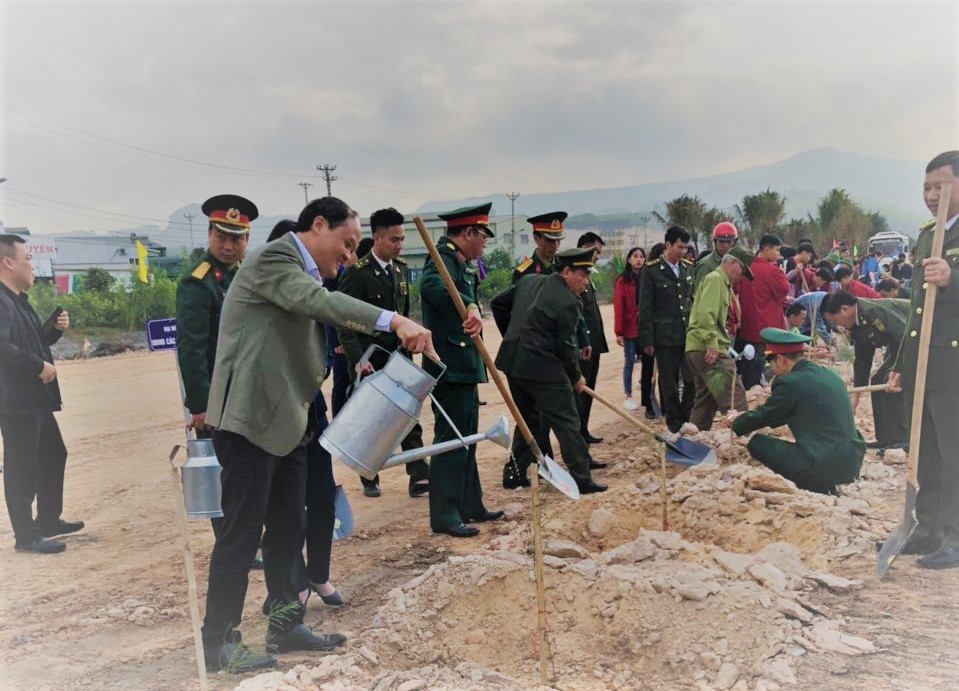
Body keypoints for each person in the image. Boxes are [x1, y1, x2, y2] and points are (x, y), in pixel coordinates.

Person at [200, 197, 435, 673]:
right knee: (243, 534)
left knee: (291, 527)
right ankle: (218, 643)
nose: (350, 256)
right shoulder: (275, 259)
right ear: (319, 225)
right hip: (249, 421)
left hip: (291, 419)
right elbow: (318, 305)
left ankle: (285, 625)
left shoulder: (307, 271)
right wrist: (392, 319)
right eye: (347, 244)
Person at [176, 195, 261, 564]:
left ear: (247, 239)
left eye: (236, 238)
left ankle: (244, 541)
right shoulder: (198, 282)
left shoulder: (244, 275)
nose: (228, 246)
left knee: (245, 473)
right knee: (225, 476)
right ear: (210, 234)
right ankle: (234, 547)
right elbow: (192, 348)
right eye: (221, 237)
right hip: (216, 398)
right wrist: (200, 404)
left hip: (245, 393)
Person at [886, 150, 959, 569]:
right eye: (927, 187)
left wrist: (953, 277)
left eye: (941, 186)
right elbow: (915, 309)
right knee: (927, 452)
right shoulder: (926, 236)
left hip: (955, 369)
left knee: (955, 453)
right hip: (926, 364)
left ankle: (955, 535)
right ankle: (928, 528)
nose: (932, 195)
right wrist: (902, 362)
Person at [420, 203, 503, 538]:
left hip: (465, 366)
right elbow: (431, 287)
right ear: (469, 232)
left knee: (468, 438)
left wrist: (471, 304)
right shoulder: (441, 257)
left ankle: (470, 503)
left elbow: (467, 297)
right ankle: (445, 514)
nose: (484, 243)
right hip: (450, 366)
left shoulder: (461, 262)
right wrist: (467, 304)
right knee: (452, 440)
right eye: (482, 236)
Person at [495, 248, 608, 494]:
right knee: (568, 419)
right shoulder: (567, 301)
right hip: (541, 366)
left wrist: (514, 334)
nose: (586, 282)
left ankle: (514, 473)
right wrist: (576, 377)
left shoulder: (530, 280)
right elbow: (566, 347)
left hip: (513, 361)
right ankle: (582, 477)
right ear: (567, 272)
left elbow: (498, 305)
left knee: (529, 420)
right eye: (583, 275)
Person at [336, 207, 430, 499]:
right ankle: (369, 474)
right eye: (394, 240)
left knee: (408, 416)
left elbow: (401, 313)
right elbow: (345, 320)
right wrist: (357, 360)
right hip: (371, 358)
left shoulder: (401, 268)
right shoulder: (357, 273)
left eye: (401, 239)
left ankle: (418, 473)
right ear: (376, 238)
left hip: (399, 356)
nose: (399, 245)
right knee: (373, 420)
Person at [0, 234, 81, 554]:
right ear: (8, 262)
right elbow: (3, 348)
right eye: (28, 258)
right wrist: (38, 366)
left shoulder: (17, 299)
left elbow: (31, 343)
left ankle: (48, 519)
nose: (32, 265)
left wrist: (53, 331)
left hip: (34, 399)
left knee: (52, 454)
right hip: (16, 400)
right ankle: (26, 536)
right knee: (21, 466)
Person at [731, 328, 865, 494]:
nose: (772, 368)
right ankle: (824, 483)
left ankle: (814, 485)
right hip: (851, 461)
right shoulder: (827, 374)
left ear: (780, 359)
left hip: (825, 463)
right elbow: (786, 413)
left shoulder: (790, 382)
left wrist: (735, 425)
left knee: (758, 443)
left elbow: (766, 415)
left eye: (771, 363)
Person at [821, 291, 910, 449]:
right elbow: (862, 361)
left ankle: (904, 438)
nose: (838, 325)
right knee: (878, 381)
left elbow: (905, 336)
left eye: (835, 320)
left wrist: (900, 369)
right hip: (899, 344)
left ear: (845, 309)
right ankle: (887, 438)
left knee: (891, 383)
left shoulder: (872, 312)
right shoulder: (857, 322)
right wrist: (856, 395)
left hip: (916, 340)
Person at [685, 247, 754, 430]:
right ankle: (743, 436)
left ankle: (693, 440)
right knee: (733, 391)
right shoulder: (716, 280)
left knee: (707, 400)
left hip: (698, 346)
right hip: (705, 347)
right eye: (742, 270)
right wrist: (712, 344)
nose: (742, 276)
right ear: (732, 263)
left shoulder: (722, 283)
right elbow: (705, 314)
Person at [638, 225, 696, 433]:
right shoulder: (652, 271)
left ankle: (686, 417)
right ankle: (674, 424)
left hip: (688, 335)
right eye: (679, 247)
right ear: (668, 244)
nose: (683, 251)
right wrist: (647, 340)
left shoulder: (689, 268)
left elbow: (692, 302)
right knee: (669, 384)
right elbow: (645, 308)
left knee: (691, 381)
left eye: (685, 248)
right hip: (664, 337)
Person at [737, 235, 790, 388]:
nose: (778, 255)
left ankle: (748, 388)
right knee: (764, 360)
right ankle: (756, 387)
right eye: (777, 251)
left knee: (748, 359)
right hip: (767, 325)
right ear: (766, 250)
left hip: (747, 324)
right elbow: (784, 290)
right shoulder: (772, 271)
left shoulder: (744, 268)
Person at [575, 232, 609, 444]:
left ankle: (584, 430)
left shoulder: (588, 275)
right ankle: (579, 435)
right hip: (581, 346)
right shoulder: (574, 276)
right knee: (580, 393)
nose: (597, 256)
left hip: (593, 344)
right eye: (595, 251)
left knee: (589, 392)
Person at [614, 247, 654, 416]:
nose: (639, 259)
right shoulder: (622, 281)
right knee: (630, 361)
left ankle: (648, 399)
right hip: (630, 328)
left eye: (641, 256)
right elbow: (619, 307)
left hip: (645, 328)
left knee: (648, 364)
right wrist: (619, 332)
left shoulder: (648, 277)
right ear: (629, 260)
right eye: (635, 256)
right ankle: (628, 395)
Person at [512, 212, 566, 283]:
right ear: (536, 238)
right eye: (550, 240)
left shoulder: (565, 267)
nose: (555, 245)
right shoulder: (524, 272)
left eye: (558, 240)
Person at [692, 221, 738, 292]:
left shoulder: (736, 263)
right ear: (715, 241)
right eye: (722, 241)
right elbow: (698, 293)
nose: (725, 245)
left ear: (734, 242)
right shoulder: (706, 264)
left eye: (729, 241)